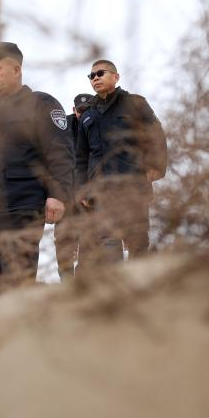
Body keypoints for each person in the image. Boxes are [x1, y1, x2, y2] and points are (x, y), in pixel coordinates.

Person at [0, 42, 75, 286]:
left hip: (23, 208)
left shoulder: (42, 104)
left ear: (17, 70)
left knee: (16, 283)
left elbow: (60, 153)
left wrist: (57, 195)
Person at [75, 59, 167, 266]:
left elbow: (156, 135)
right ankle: (115, 285)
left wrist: (157, 167)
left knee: (137, 241)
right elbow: (81, 157)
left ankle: (139, 284)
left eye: (100, 73)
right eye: (91, 76)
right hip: (101, 190)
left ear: (116, 77)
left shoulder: (135, 104)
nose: (95, 78)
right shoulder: (88, 116)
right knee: (108, 241)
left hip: (133, 184)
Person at [54, 92, 93, 281]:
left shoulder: (98, 125)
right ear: (74, 110)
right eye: (80, 110)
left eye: (87, 110)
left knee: (89, 238)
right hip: (66, 194)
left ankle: (83, 282)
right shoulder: (62, 128)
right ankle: (67, 282)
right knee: (63, 240)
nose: (83, 113)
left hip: (88, 194)